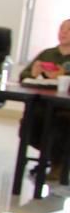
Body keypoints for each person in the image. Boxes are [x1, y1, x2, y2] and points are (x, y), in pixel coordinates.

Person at [19, 18, 70, 179]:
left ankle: (58, 164)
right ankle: (50, 157)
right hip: (44, 104)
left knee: (60, 124)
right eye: (62, 29)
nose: (63, 33)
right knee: (30, 123)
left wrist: (64, 75)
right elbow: (24, 75)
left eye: (68, 30)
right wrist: (33, 74)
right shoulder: (47, 53)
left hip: (65, 108)